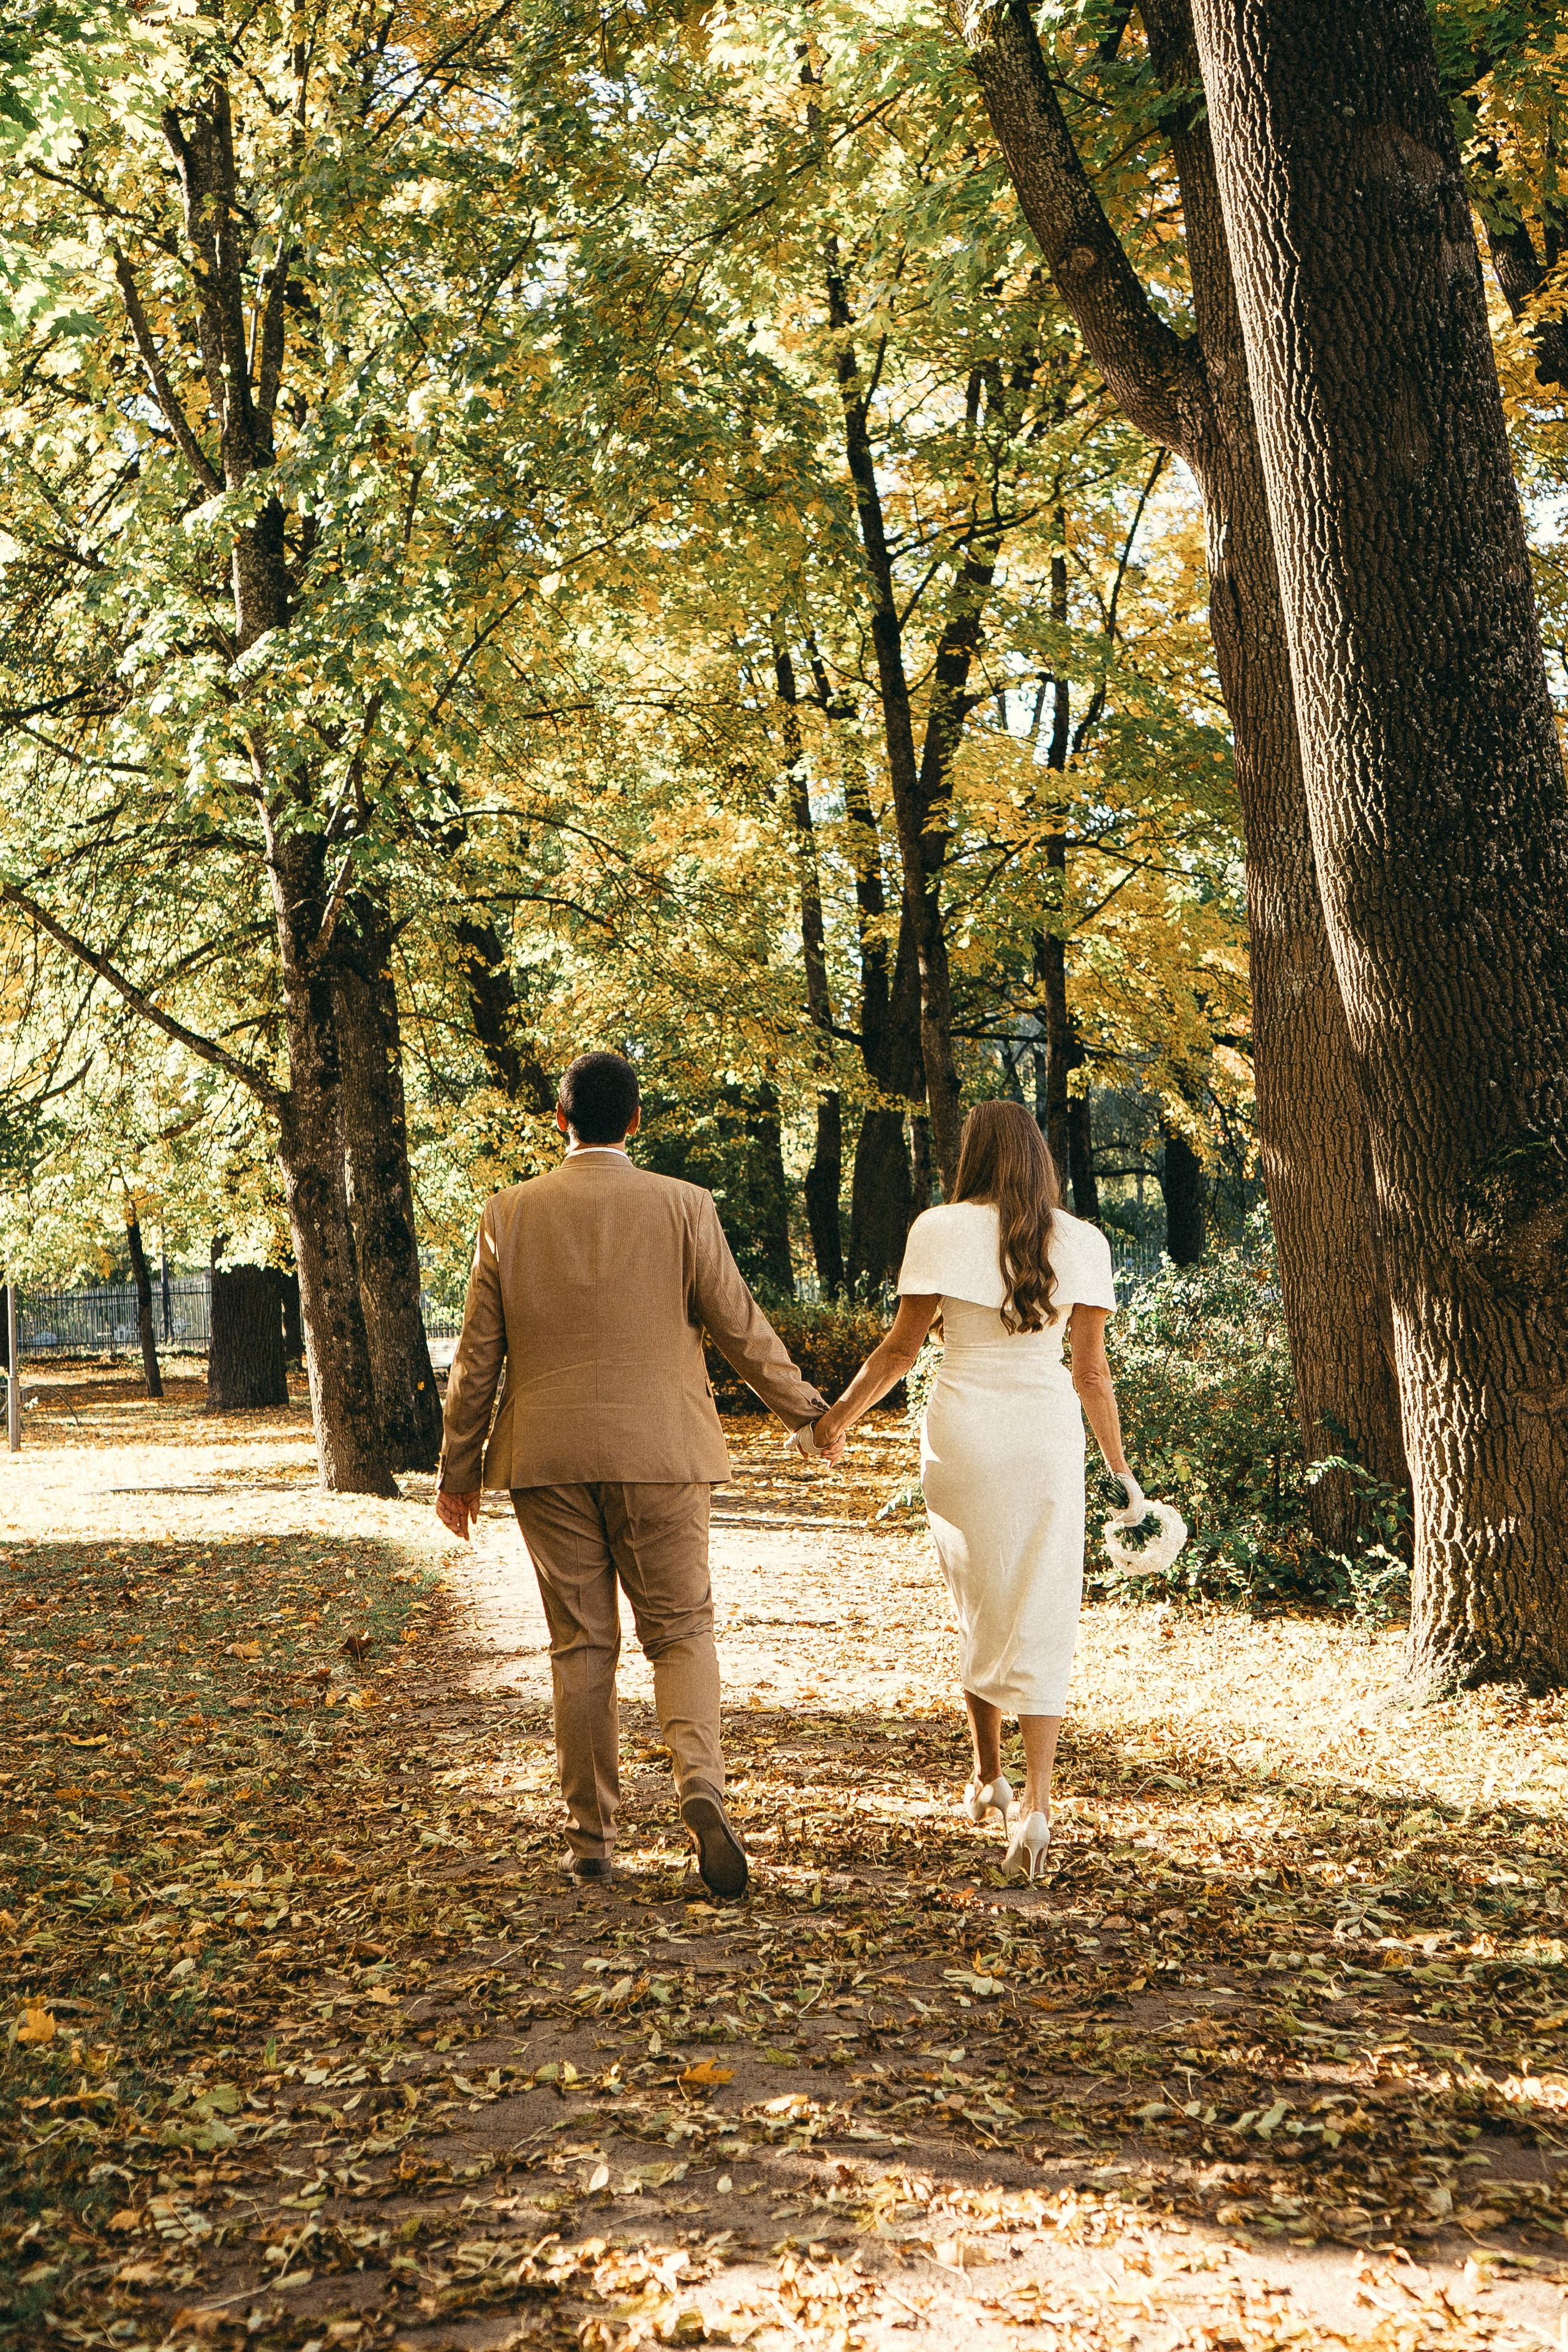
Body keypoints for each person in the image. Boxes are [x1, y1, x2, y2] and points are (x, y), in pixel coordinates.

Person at [434, 1050, 842, 1896]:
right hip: (663, 1454)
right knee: (681, 1629)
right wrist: (807, 1414)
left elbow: (476, 1359)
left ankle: (590, 1840)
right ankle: (700, 1786)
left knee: (581, 1644)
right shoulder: (684, 1206)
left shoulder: (508, 1214)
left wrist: (458, 1470)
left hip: (547, 1458)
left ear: (560, 1119)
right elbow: (739, 1325)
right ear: (635, 1121)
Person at [812, 1099, 1143, 1882]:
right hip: (1045, 1435)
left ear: (973, 1153)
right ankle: (1035, 1802)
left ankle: (987, 1775)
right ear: (1037, 1155)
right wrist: (1121, 1473)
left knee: (979, 1600)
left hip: (963, 1432)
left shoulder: (938, 1228)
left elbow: (899, 1353)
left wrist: (834, 1422)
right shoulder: (1084, 1241)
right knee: (1042, 1604)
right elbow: (1091, 1374)